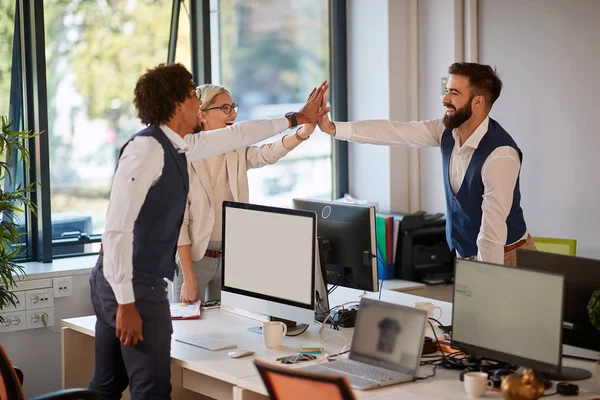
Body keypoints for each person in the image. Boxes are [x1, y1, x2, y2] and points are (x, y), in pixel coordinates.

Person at [88, 62, 329, 399]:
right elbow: (116, 230)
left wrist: (296, 118)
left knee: (109, 383)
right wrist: (126, 303)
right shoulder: (146, 149)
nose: (196, 103)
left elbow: (241, 134)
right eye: (190, 95)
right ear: (176, 103)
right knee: (151, 388)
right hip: (130, 283)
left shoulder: (182, 146)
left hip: (125, 280)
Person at [317, 62, 535, 267]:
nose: (444, 99)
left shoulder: (500, 155)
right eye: (447, 90)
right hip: (470, 255)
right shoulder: (446, 131)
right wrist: (334, 128)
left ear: (478, 101)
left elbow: (492, 234)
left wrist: (482, 278)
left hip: (507, 258)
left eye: (454, 93)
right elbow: (396, 132)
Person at [174, 84, 318, 304]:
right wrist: (188, 277)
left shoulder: (236, 148)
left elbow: (266, 154)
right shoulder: (185, 155)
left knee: (230, 330)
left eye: (233, 107)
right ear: (202, 114)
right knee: (189, 332)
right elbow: (179, 223)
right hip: (193, 260)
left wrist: (302, 133)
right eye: (225, 108)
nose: (233, 113)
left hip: (231, 258)